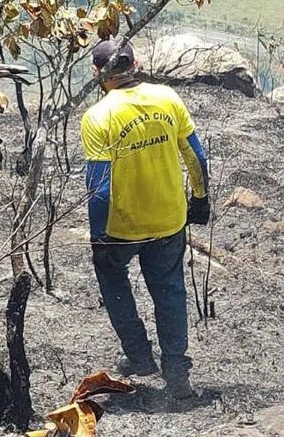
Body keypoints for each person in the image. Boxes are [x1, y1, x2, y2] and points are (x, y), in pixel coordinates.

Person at [80, 36, 210, 400]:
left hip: (123, 228)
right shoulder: (168, 98)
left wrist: (98, 236)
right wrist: (200, 201)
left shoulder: (98, 117)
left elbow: (100, 189)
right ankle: (177, 373)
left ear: (97, 73)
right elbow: (196, 158)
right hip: (170, 220)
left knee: (111, 275)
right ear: (134, 65)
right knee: (170, 291)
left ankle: (138, 356)